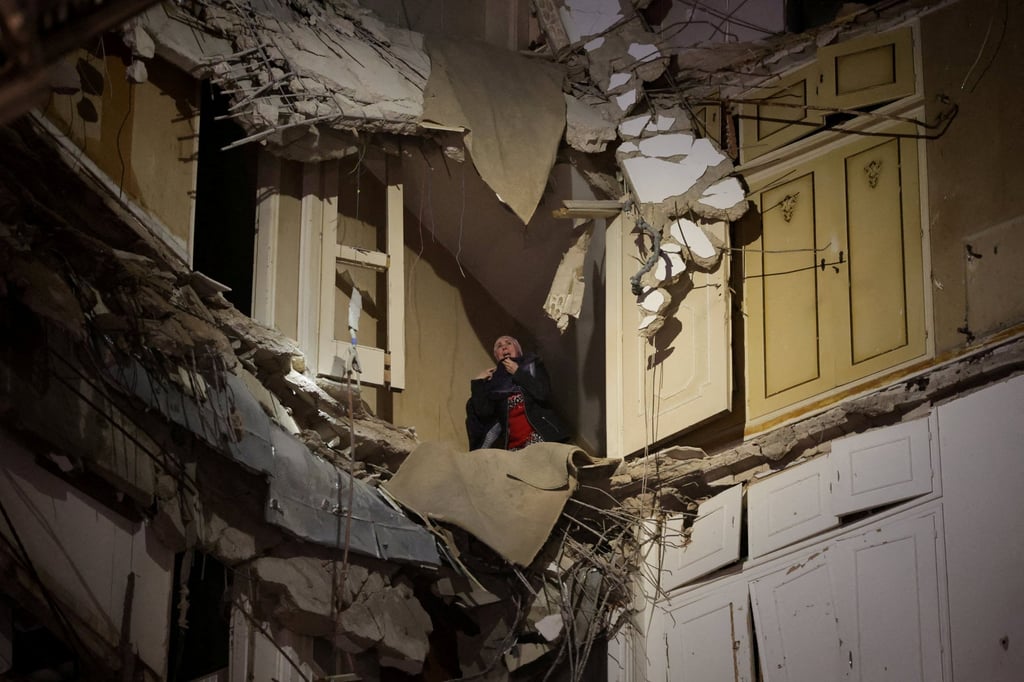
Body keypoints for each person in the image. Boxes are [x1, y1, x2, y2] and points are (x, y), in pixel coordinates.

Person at [466, 335, 569, 451]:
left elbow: (543, 393)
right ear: (496, 356)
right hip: (513, 446)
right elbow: (484, 413)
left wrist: (518, 372)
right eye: (499, 346)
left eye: (508, 343)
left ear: (518, 350)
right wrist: (478, 383)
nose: (504, 347)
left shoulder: (533, 366)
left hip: (541, 436)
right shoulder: (493, 383)